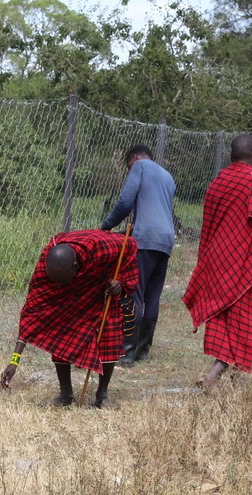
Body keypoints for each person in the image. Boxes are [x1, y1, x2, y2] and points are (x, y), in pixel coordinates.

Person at [182, 134, 252, 388]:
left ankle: (232, 380)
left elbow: (208, 230)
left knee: (225, 319)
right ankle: (215, 375)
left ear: (230, 156)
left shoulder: (217, 183)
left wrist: (204, 266)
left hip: (219, 264)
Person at [0, 229, 139, 408]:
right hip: (75, 291)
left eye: (65, 281)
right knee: (59, 328)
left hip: (101, 287)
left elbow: (130, 247)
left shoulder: (103, 247)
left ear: (75, 265)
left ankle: (102, 395)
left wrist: (119, 282)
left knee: (109, 329)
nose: (62, 286)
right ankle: (65, 395)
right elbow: (31, 313)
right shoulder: (45, 266)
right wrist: (14, 361)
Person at [101, 145, 176, 365]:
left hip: (145, 239)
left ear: (133, 158)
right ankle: (143, 350)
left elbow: (125, 202)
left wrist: (105, 227)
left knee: (135, 292)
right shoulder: (167, 176)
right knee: (152, 295)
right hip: (166, 239)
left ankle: (127, 352)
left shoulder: (139, 166)